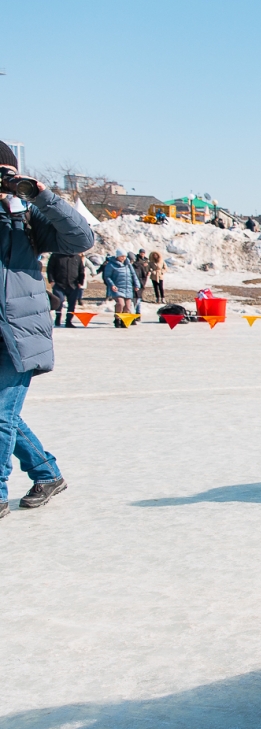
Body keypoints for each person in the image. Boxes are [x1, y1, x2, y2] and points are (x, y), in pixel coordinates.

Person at [0, 140, 94, 517]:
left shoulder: (25, 217)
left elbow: (81, 239)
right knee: (6, 414)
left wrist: (41, 196)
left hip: (17, 332)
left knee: (1, 415)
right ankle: (47, 473)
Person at [46, 252, 86, 328]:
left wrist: (80, 282)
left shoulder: (77, 257)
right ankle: (58, 318)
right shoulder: (56, 255)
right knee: (59, 301)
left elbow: (81, 270)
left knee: (72, 304)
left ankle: (69, 321)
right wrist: (51, 281)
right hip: (59, 284)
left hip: (73, 285)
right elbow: (50, 269)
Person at [102, 250, 140, 328]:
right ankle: (117, 319)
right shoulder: (111, 264)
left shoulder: (128, 264)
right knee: (120, 304)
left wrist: (137, 284)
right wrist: (112, 285)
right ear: (117, 256)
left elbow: (133, 275)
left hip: (128, 288)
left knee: (128, 306)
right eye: (122, 256)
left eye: (125, 256)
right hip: (117, 288)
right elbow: (107, 276)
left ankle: (124, 320)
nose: (123, 258)